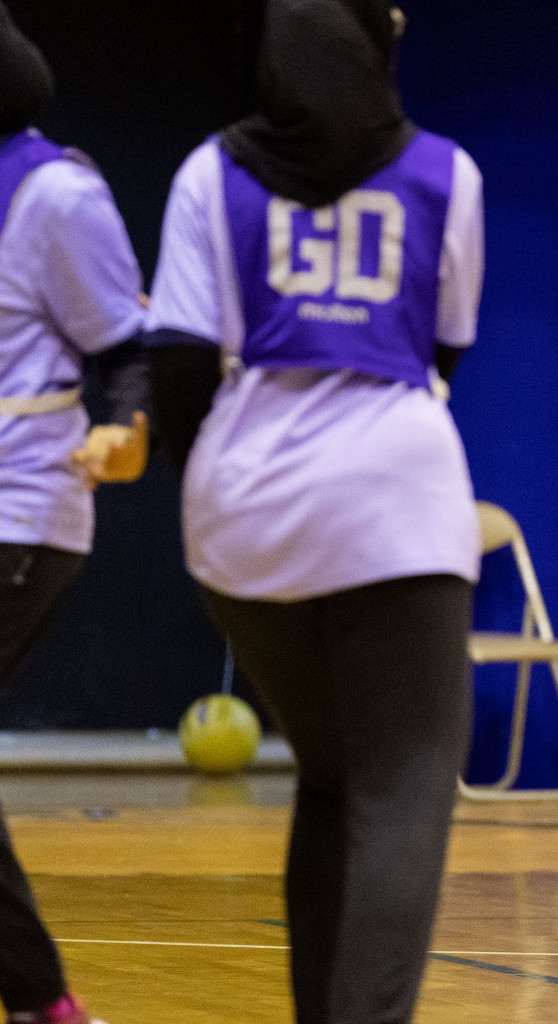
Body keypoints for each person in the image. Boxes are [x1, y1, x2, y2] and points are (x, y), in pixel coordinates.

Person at [143, 2, 484, 1021]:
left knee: (330, 776)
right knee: (405, 784)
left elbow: (176, 367)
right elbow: (445, 346)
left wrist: (223, 496)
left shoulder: (209, 171)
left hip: (240, 509)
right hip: (396, 493)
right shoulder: (444, 173)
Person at [0, 7, 152, 1023]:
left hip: (19, 499)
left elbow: (129, 347)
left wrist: (127, 426)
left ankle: (46, 999)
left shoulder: (55, 192)